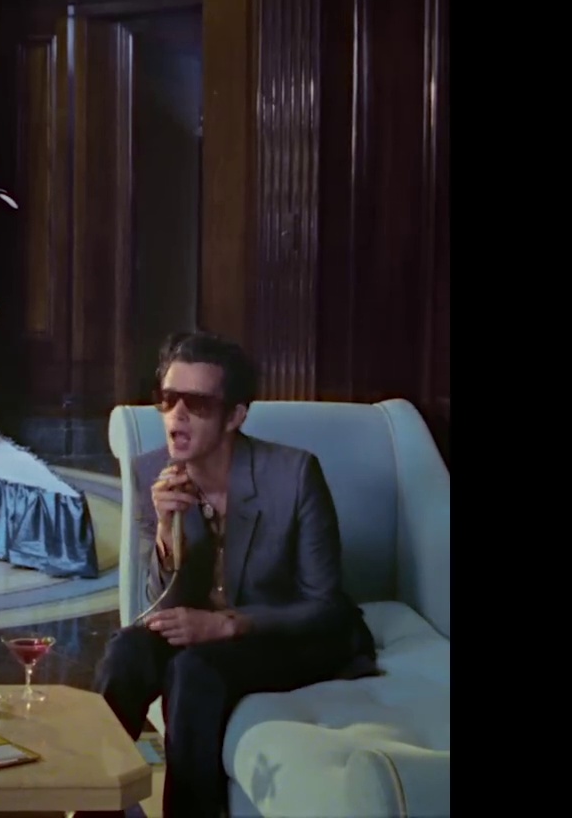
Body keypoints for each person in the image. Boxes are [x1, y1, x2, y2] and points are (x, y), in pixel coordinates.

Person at [87, 331, 377, 818]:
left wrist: (228, 625)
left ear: (235, 416)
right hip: (203, 632)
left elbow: (325, 606)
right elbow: (157, 605)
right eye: (168, 399)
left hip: (289, 636)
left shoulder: (295, 475)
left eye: (197, 404)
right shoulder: (151, 471)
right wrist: (165, 530)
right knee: (127, 652)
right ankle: (95, 805)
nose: (177, 415)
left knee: (193, 670)